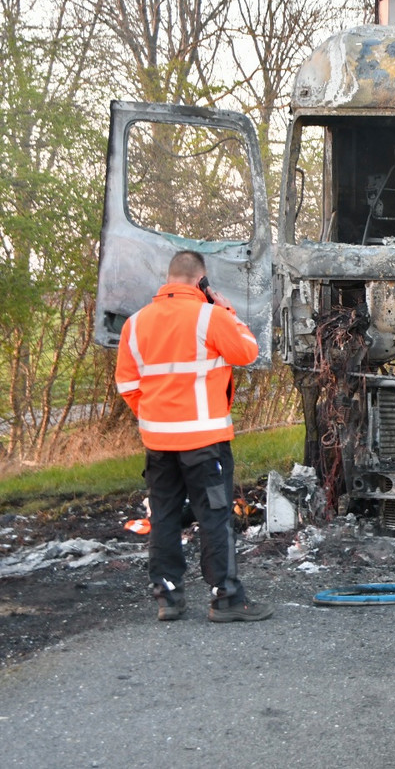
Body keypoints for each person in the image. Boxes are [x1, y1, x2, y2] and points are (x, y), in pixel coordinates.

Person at [115, 250, 274, 623]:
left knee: (166, 516)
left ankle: (167, 598)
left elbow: (128, 384)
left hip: (158, 442)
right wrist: (228, 311)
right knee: (215, 517)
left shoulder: (135, 324)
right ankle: (227, 599)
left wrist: (154, 417)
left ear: (170, 279)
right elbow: (248, 352)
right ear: (201, 280)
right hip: (205, 443)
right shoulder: (212, 317)